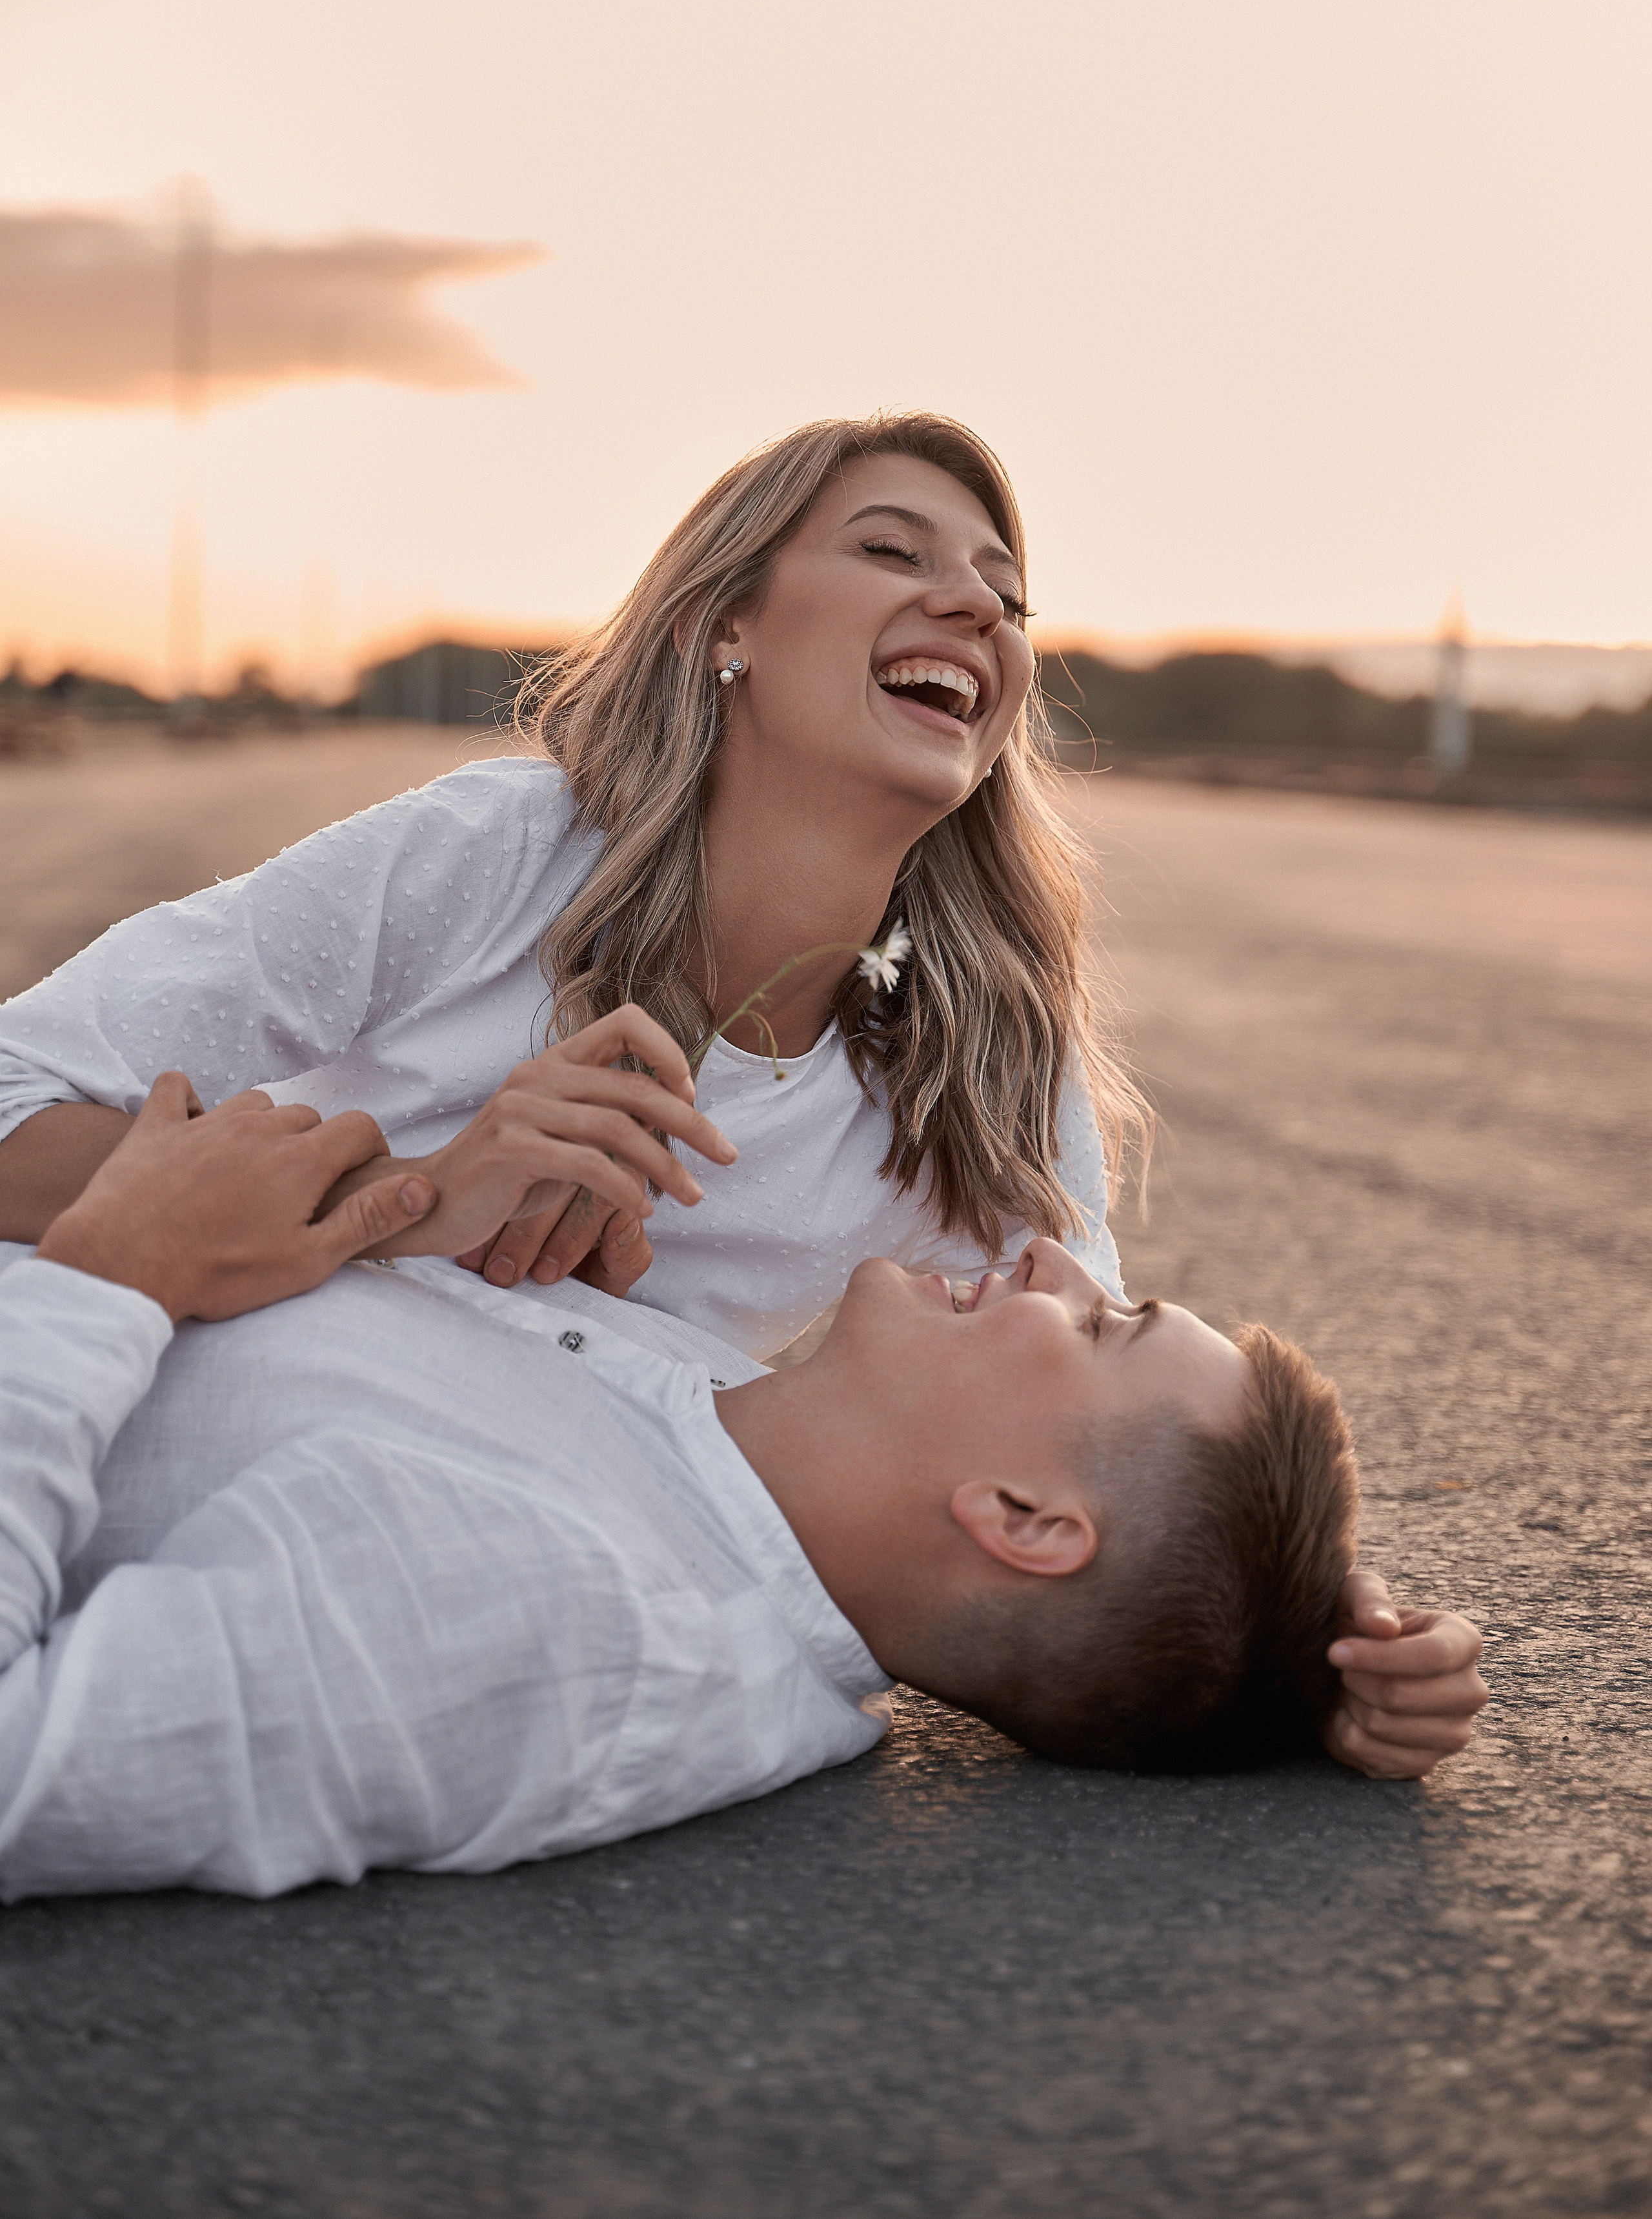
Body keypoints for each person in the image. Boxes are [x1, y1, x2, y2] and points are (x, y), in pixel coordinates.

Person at [0, 416, 1480, 1774]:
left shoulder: (987, 1050)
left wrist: (1300, 1635)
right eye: (891, 550)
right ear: (724, 624)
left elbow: (1109, 1459)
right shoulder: (506, 855)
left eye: (1006, 595)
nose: (975, 608)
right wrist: (406, 1200)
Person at [0, 1077, 1487, 1903]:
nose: (1053, 1259)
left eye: (1103, 1323)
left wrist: (114, 1275)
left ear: (1021, 1521)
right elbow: (1165, 1546)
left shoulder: (556, 1625)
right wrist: (1302, 1634)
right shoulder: (700, 1406)